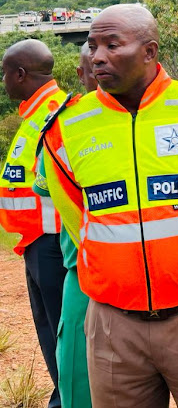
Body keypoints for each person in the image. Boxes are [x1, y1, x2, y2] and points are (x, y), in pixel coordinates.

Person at [40, 4, 178, 408]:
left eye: (112, 44)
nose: (97, 56)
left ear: (149, 51)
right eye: (92, 46)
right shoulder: (65, 128)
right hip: (113, 325)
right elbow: (75, 215)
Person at [0, 39, 67, 408]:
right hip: (35, 240)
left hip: (54, 242)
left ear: (21, 74)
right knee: (48, 331)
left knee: (62, 332)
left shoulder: (55, 115)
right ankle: (63, 395)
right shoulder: (33, 116)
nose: (4, 81)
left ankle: (70, 399)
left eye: (5, 74)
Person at [34, 43, 97, 408]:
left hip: (94, 274)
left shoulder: (66, 124)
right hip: (83, 273)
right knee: (78, 376)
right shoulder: (64, 127)